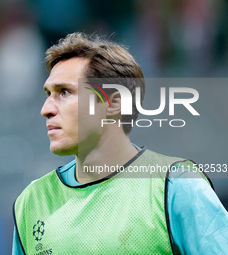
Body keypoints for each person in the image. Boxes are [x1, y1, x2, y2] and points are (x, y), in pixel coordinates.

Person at [12, 32, 228, 254]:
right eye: (48, 93)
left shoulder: (177, 186)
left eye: (65, 92)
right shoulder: (32, 201)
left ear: (114, 103)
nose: (46, 109)